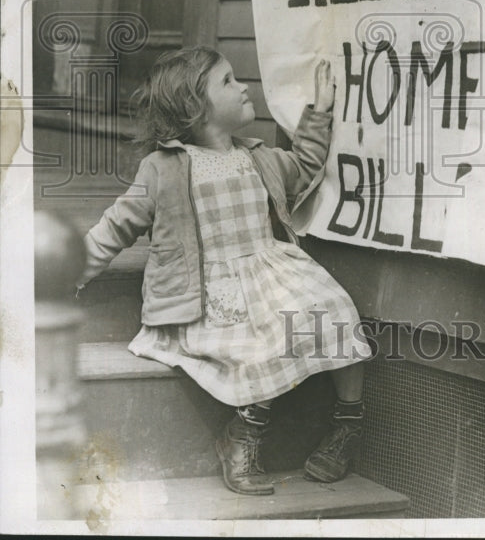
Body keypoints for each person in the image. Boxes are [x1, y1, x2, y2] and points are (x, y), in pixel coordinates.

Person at [77, 47, 371, 495]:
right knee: (261, 342)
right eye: (229, 82)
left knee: (336, 308)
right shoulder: (162, 169)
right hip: (208, 292)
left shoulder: (260, 157)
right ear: (196, 106)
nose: (244, 87)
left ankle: (348, 423)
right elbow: (115, 228)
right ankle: (244, 433)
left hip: (270, 271)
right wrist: (66, 274)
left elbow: (307, 166)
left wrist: (320, 114)